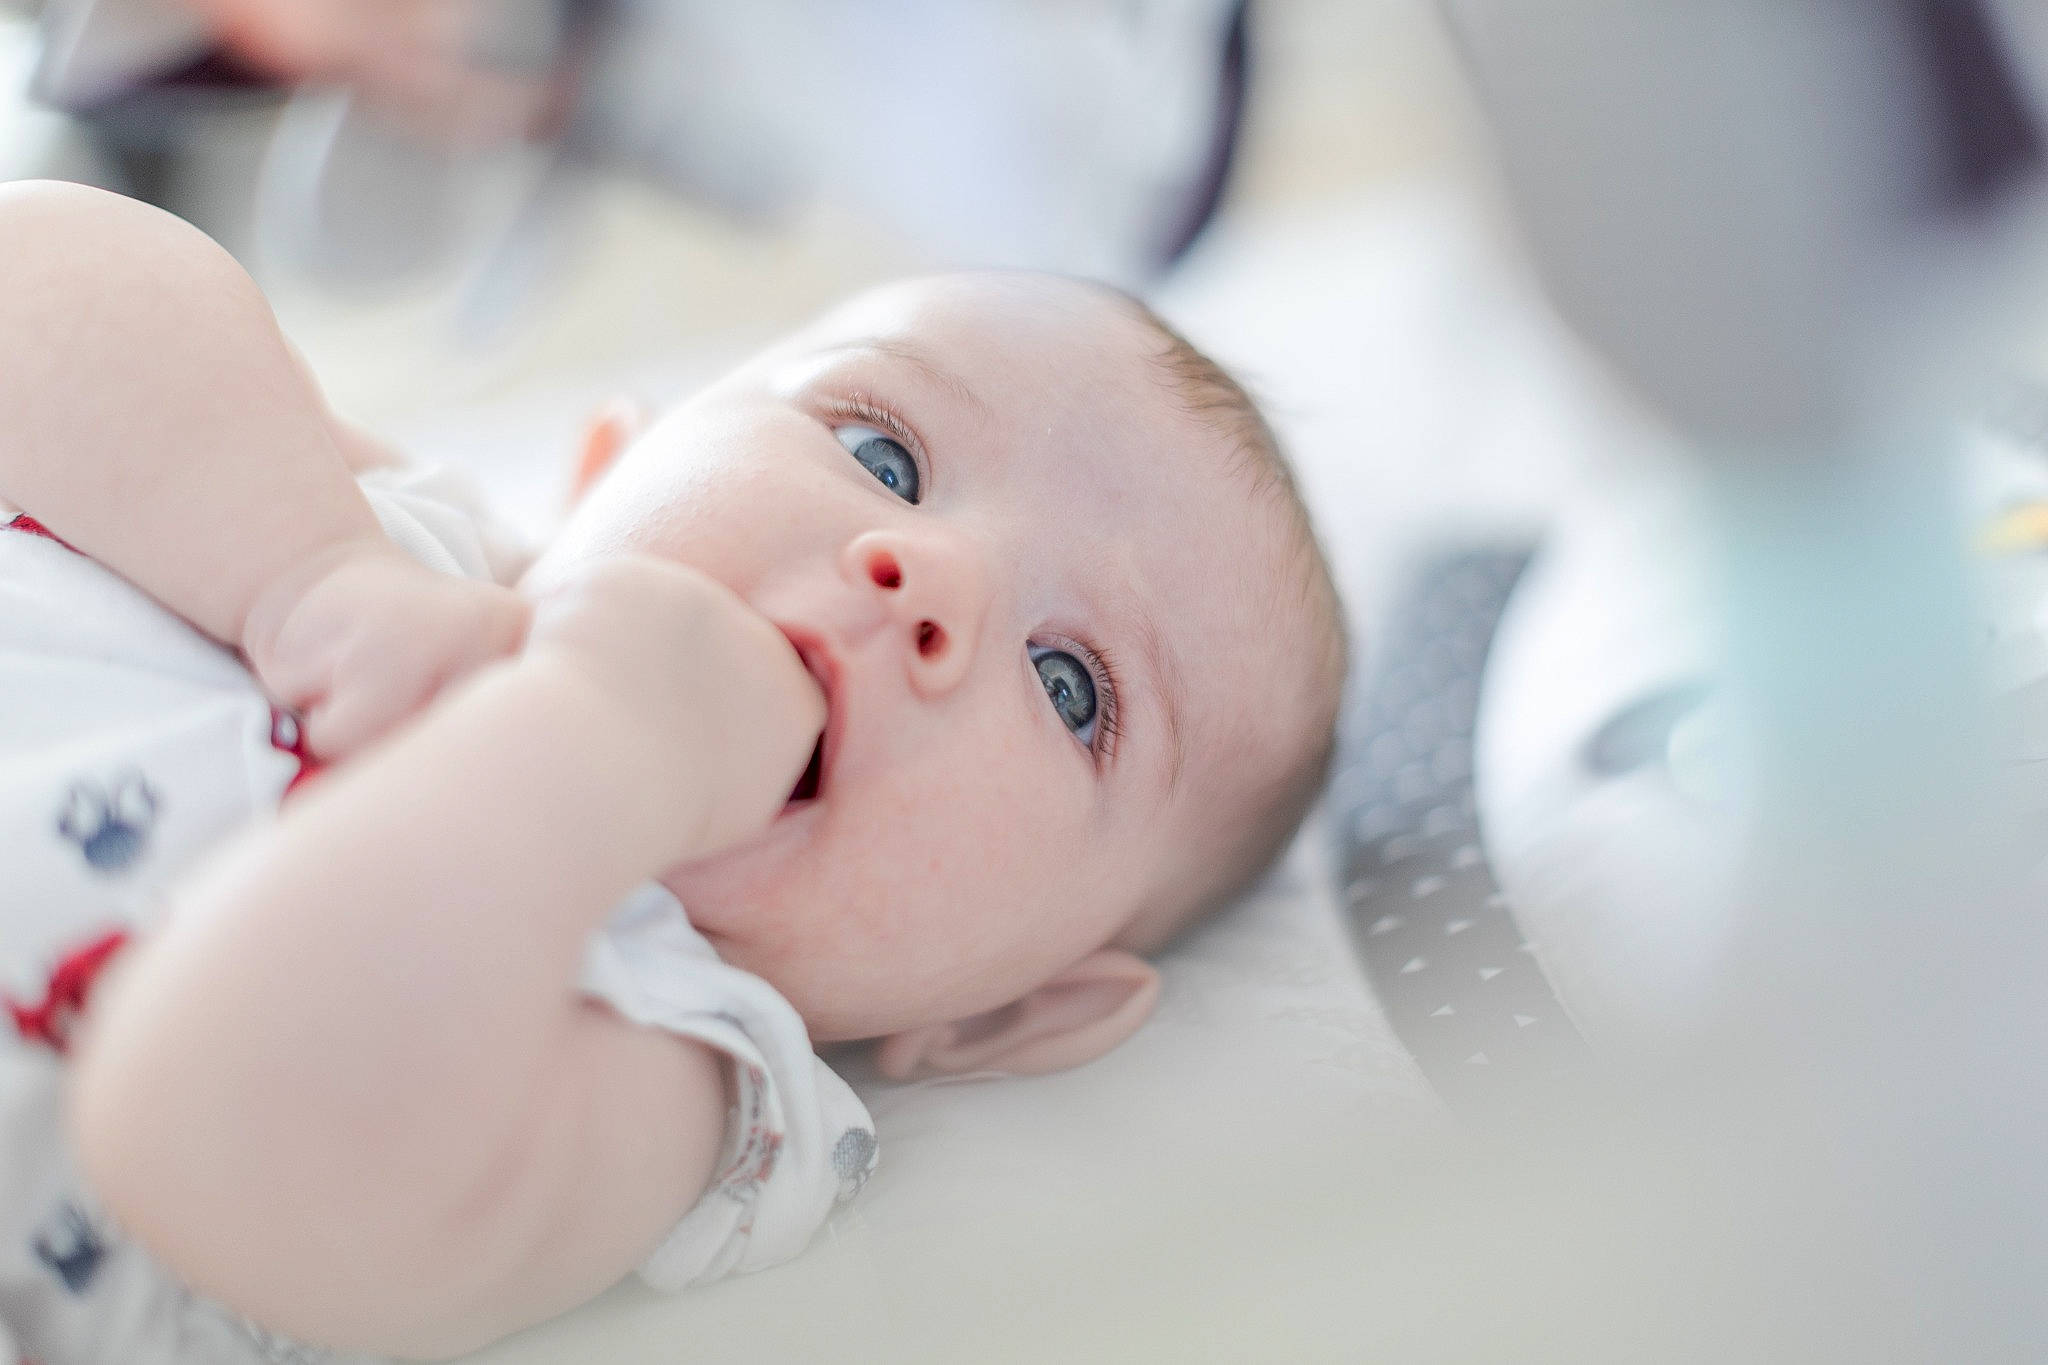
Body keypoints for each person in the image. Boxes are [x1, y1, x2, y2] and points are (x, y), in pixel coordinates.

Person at [0, 179, 1344, 1363]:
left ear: (1007, 1012)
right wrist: (302, 573)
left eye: (1072, 688)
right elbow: (35, 271)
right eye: (885, 453)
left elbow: (210, 1126)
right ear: (605, 468)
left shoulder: (682, 1069)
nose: (930, 575)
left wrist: (602, 736)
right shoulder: (384, 540)